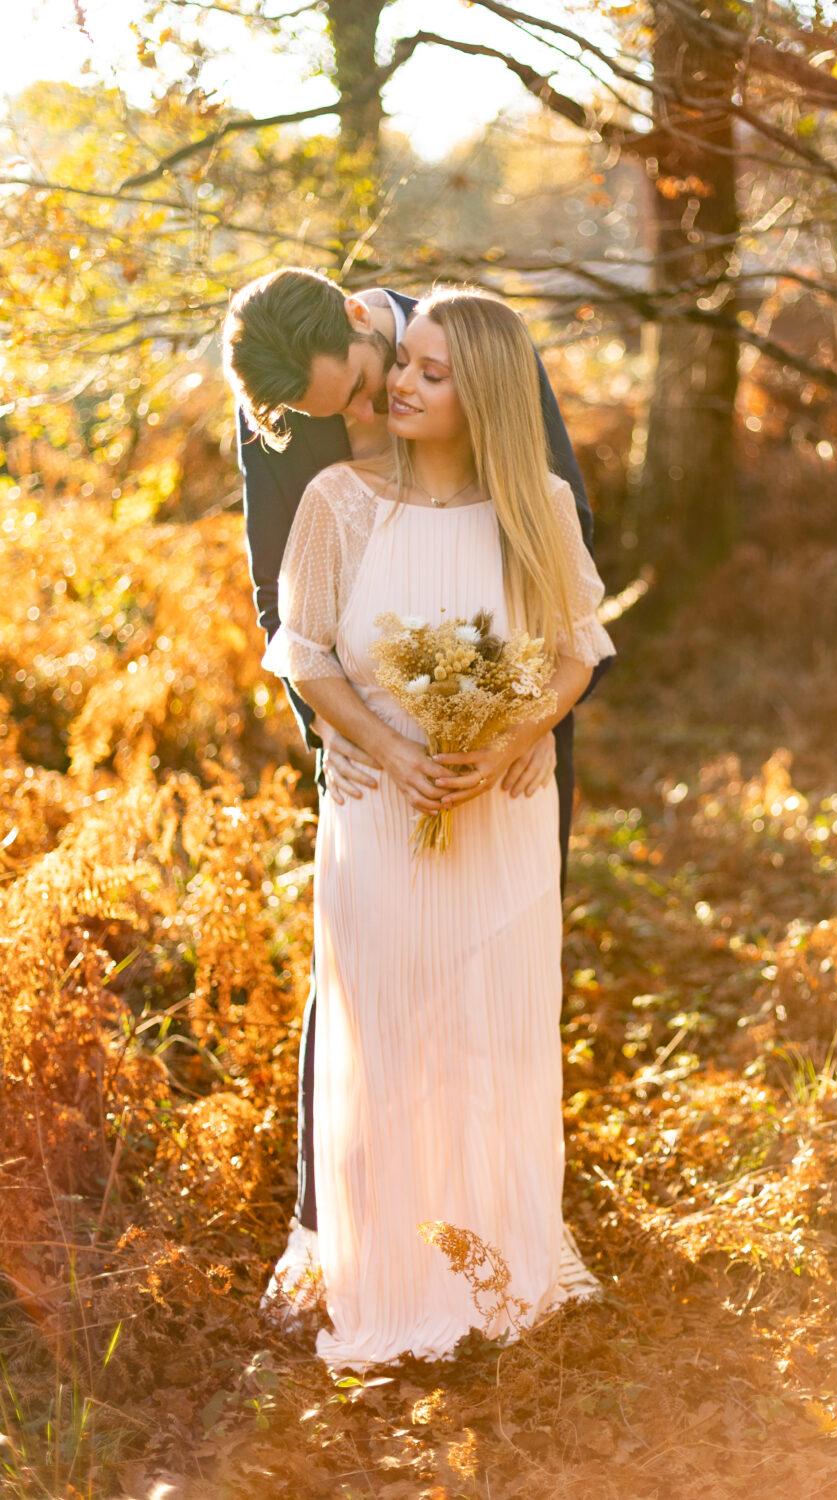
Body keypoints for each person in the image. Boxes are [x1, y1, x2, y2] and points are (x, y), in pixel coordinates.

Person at [222, 267, 612, 1333]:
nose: (368, 412)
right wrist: (353, 744)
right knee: (367, 996)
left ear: (367, 329)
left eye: (366, 389)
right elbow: (283, 607)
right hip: (368, 742)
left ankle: (497, 1225)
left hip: (509, 747)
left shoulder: (473, 348)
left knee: (497, 982)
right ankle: (342, 1237)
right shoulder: (299, 432)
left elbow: (563, 574)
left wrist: (526, 729)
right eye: (333, 413)